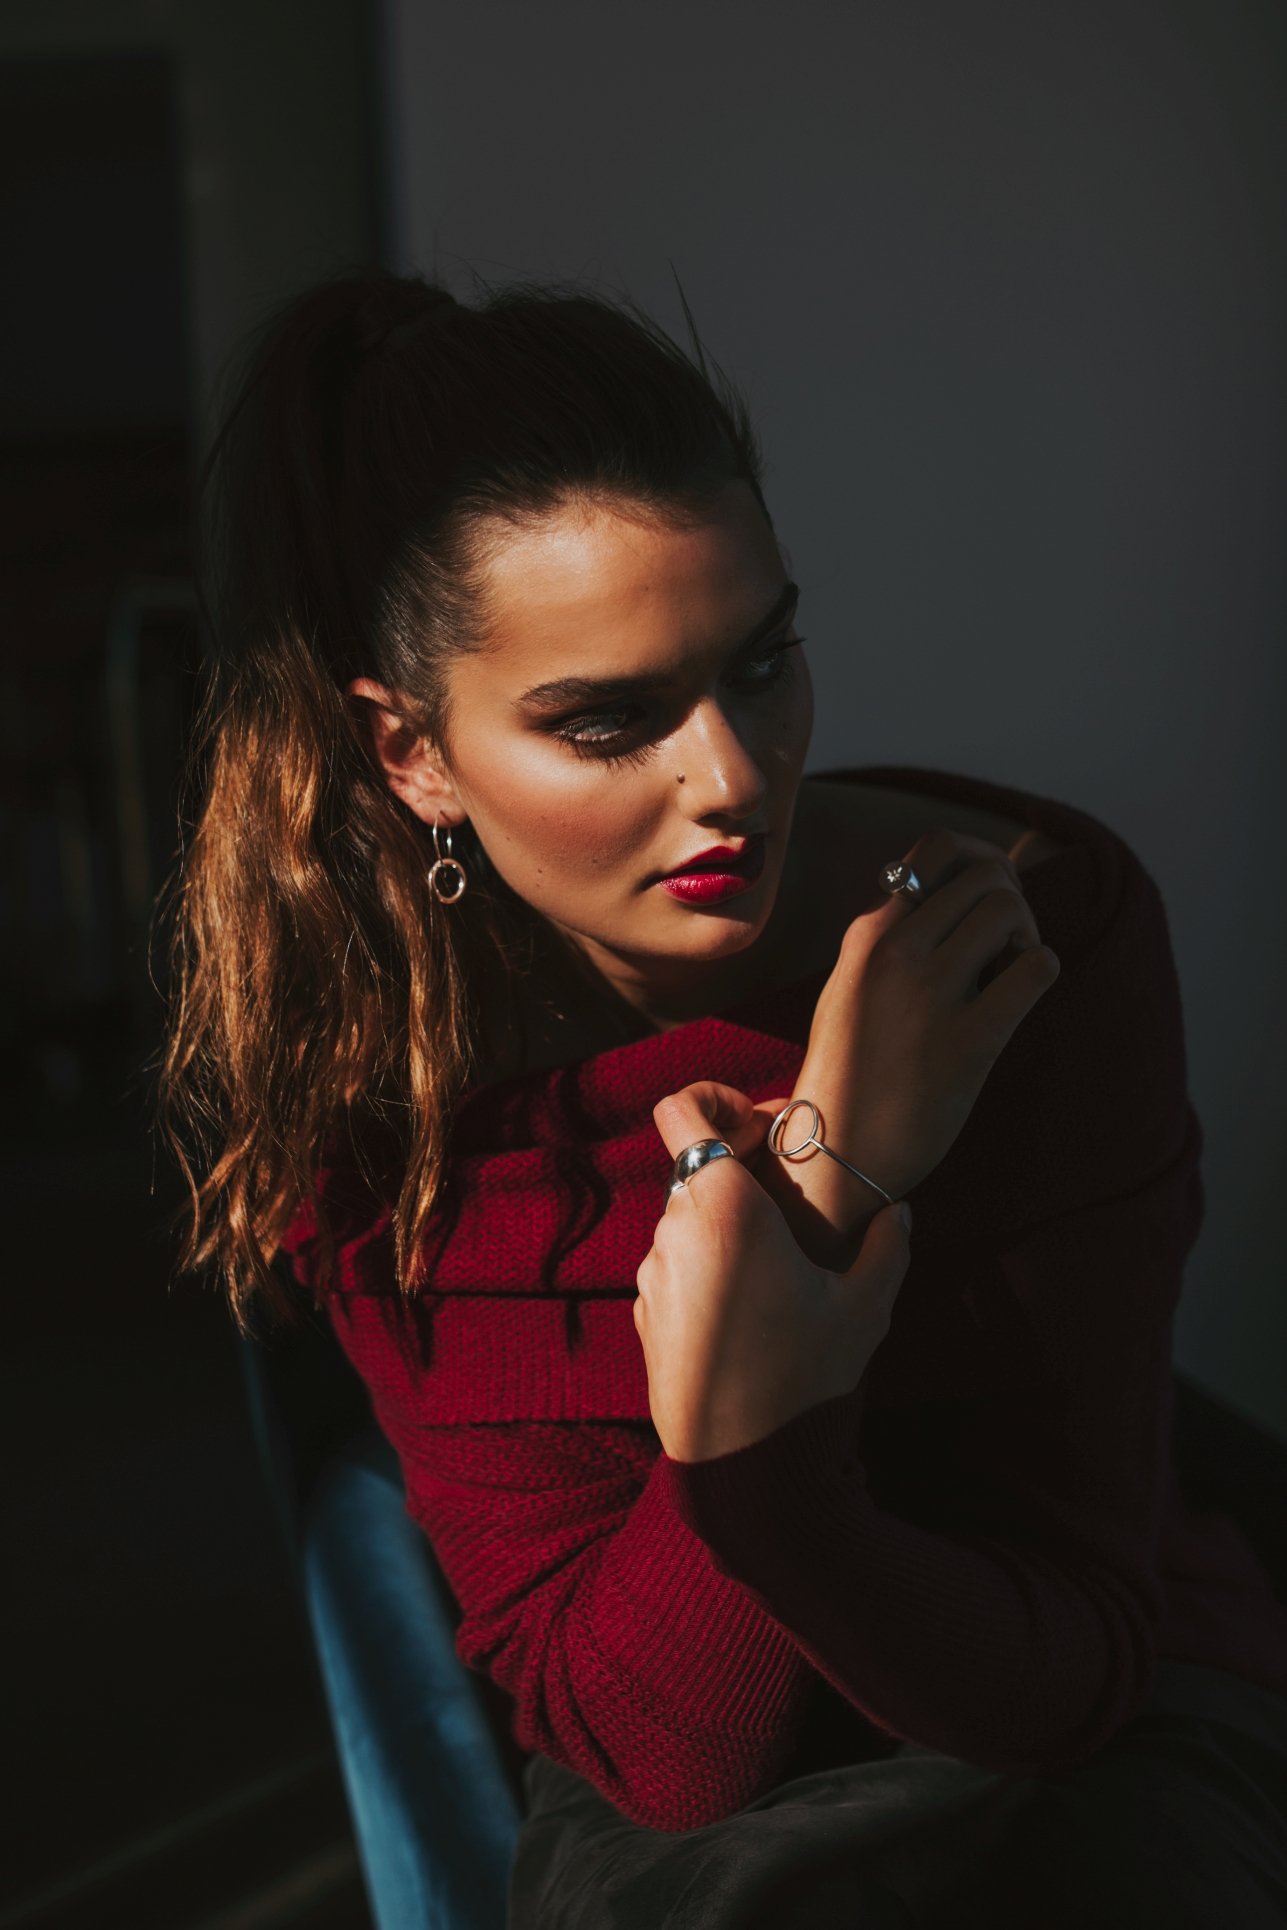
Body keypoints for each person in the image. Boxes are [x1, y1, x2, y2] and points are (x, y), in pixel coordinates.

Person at [159, 266, 1287, 1927]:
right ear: (413, 753)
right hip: (705, 1818)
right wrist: (830, 1188)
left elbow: (1067, 1683)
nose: (736, 779)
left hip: (1097, 1746)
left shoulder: (1030, 934)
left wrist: (763, 1423)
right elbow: (662, 1752)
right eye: (611, 722)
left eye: (763, 665)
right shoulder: (377, 1111)